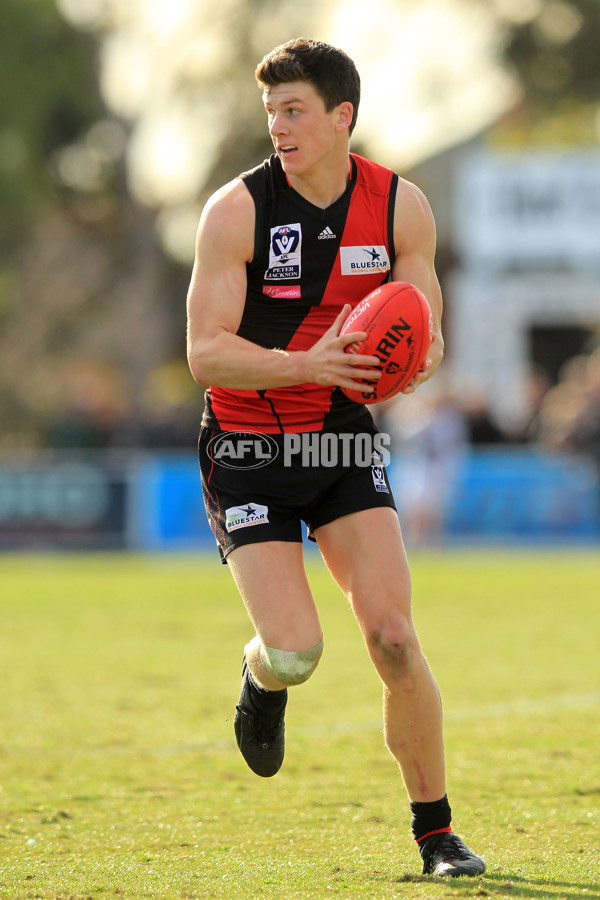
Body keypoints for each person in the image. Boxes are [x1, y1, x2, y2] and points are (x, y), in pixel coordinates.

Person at [186, 38, 485, 878]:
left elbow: (422, 324)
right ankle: (261, 679)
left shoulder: (401, 208)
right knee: (296, 652)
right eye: (270, 112)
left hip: (344, 440)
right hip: (246, 446)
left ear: (341, 116)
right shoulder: (236, 210)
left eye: (294, 111)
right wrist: (302, 365)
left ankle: (436, 835)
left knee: (393, 636)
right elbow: (204, 354)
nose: (277, 127)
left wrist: (421, 356)